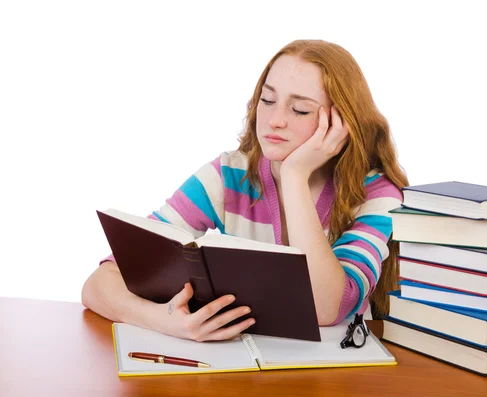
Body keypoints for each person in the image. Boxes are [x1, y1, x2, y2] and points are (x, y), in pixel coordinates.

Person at [82, 39, 409, 342]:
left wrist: (294, 175)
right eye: (268, 100)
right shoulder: (228, 175)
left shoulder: (378, 193)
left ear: (342, 123)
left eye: (300, 110)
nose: (274, 120)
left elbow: (326, 308)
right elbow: (99, 284)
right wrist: (162, 319)